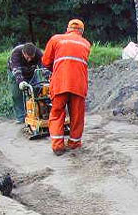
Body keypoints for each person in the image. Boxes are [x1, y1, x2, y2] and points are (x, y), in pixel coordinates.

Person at [42, 19, 91, 156]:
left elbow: (46, 61)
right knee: (77, 116)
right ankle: (74, 143)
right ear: (81, 31)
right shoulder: (86, 44)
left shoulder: (56, 39)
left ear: (67, 29)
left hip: (60, 83)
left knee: (57, 113)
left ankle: (58, 146)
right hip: (79, 85)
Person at [7, 43, 44, 123]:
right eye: (27, 57)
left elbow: (44, 67)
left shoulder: (38, 53)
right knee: (16, 95)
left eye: (32, 57)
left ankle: (38, 114)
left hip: (31, 72)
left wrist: (48, 76)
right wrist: (21, 82)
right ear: (23, 53)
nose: (29, 60)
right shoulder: (16, 53)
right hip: (15, 73)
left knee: (38, 91)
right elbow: (16, 70)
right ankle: (21, 118)